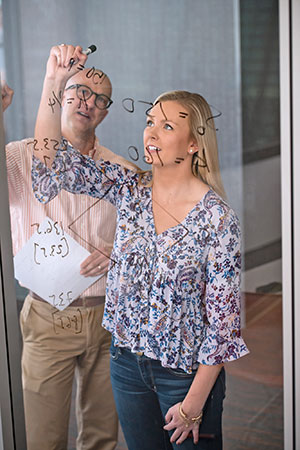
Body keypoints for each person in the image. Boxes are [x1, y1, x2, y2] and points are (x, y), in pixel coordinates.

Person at [32, 44, 249, 450]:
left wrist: (195, 403)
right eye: (150, 122)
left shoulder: (218, 220)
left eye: (167, 126)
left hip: (184, 375)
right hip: (126, 364)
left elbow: (224, 327)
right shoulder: (129, 188)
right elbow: (50, 163)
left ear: (193, 144)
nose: (151, 132)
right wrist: (54, 82)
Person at [5, 46, 137, 450]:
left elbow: (141, 242)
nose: (88, 103)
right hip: (47, 317)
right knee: (42, 437)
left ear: (106, 112)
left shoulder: (122, 171)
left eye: (100, 99)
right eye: (79, 91)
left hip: (108, 319)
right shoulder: (20, 158)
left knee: (102, 437)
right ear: (62, 95)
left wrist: (119, 253)